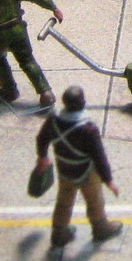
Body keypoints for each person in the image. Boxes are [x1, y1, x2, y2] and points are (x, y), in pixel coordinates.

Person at [34, 85, 123, 247]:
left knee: (63, 201)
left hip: (65, 169)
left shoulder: (53, 119)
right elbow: (99, 156)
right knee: (94, 200)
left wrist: (42, 157)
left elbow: (41, 138)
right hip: (86, 172)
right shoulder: (88, 128)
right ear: (82, 102)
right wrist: (108, 180)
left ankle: (59, 233)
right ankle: (100, 228)